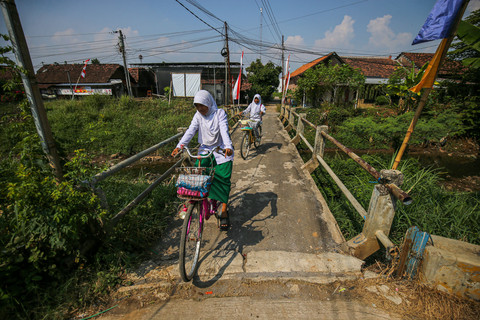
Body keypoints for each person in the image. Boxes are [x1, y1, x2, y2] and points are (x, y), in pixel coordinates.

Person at [171, 90, 233, 230]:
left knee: (223, 178)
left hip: (221, 149)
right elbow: (191, 130)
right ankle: (195, 202)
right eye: (197, 106)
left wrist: (228, 146)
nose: (200, 109)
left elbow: (224, 130)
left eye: (202, 105)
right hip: (205, 150)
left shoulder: (219, 114)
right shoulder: (198, 116)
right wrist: (180, 146)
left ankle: (224, 209)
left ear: (208, 103)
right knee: (199, 176)